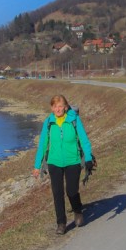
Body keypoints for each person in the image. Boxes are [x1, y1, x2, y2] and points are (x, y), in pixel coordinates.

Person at [33, 95, 95, 235]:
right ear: (52, 108)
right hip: (54, 162)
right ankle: (61, 223)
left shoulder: (74, 119)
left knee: (71, 191)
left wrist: (89, 158)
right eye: (55, 106)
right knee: (57, 193)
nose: (58, 109)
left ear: (66, 107)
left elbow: (84, 139)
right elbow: (42, 144)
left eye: (60, 106)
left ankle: (78, 211)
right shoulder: (49, 122)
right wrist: (37, 166)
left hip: (73, 161)